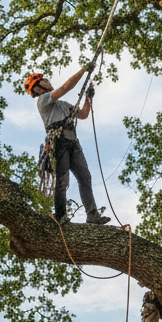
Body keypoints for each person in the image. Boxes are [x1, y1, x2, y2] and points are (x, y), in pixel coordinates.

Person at [25, 68, 110, 225]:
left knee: (85, 177)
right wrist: (84, 70)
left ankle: (92, 214)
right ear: (37, 88)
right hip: (58, 142)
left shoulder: (63, 105)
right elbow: (65, 88)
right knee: (62, 179)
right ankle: (60, 215)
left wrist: (88, 98)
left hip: (73, 142)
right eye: (44, 80)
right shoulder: (42, 101)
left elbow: (83, 114)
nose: (48, 81)